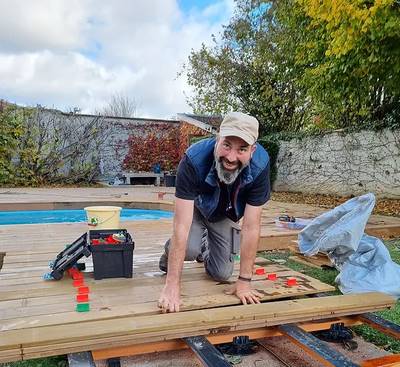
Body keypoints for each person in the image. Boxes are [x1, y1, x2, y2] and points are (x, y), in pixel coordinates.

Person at [158, 112, 270, 313]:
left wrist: (244, 281)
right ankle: (170, 255)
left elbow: (251, 227)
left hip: (224, 215)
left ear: (252, 150)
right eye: (227, 145)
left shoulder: (261, 166)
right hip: (197, 209)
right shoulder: (193, 159)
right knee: (189, 250)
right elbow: (181, 224)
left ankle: (202, 242)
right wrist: (172, 284)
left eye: (242, 149)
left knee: (221, 274)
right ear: (218, 138)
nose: (231, 157)